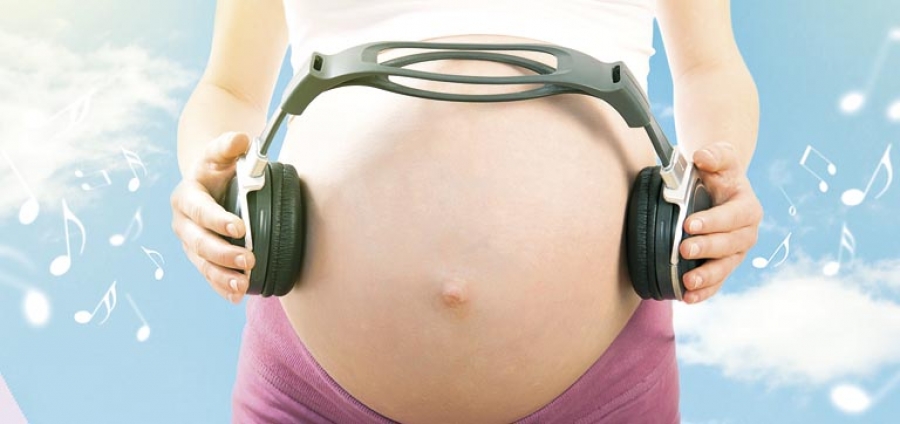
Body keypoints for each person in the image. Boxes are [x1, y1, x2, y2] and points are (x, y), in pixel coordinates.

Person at [171, 0, 762, 422]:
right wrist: (207, 174)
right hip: (308, 391)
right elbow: (231, 88)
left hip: (606, 386)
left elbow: (707, 66)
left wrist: (717, 174)